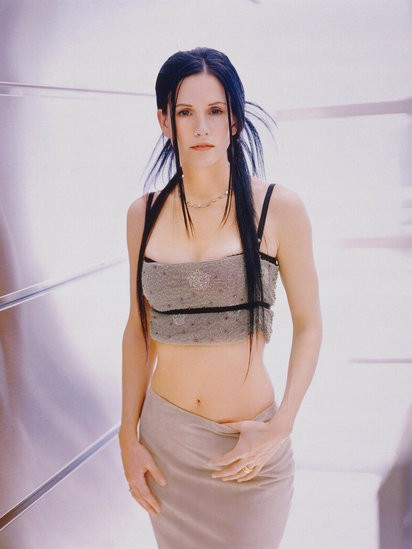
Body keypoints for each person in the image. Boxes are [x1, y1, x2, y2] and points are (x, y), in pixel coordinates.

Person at [119, 46, 323, 549]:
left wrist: (281, 425)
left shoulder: (278, 208)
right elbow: (138, 330)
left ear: (234, 118)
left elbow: (310, 325)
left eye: (215, 111)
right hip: (167, 447)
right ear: (165, 121)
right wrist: (127, 435)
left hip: (247, 449)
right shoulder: (143, 214)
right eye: (185, 112)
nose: (201, 127)